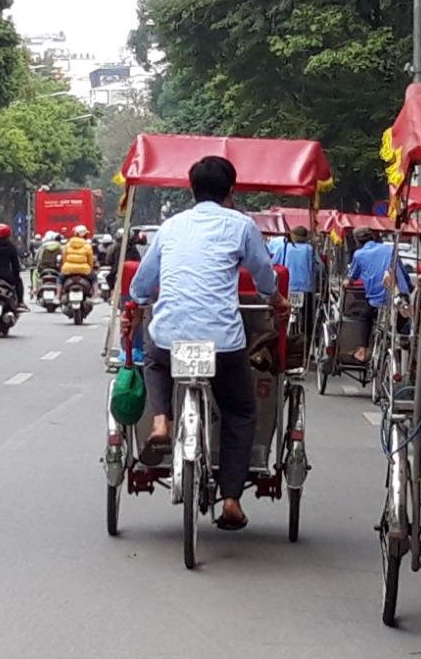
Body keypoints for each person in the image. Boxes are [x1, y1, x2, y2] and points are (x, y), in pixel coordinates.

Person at [129, 155, 288, 531]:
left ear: (191, 190)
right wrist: (275, 299)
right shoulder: (242, 225)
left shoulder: (171, 226)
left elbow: (141, 285)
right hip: (223, 343)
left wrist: (140, 298)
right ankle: (231, 498)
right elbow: (264, 276)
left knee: (155, 359)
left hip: (170, 337)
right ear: (231, 190)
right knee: (240, 412)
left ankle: (161, 421)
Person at [346, 227, 411, 362]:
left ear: (357, 241)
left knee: (364, 317)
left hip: (375, 301)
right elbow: (403, 274)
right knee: (403, 321)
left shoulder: (359, 255)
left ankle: (363, 349)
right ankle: (403, 343)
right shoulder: (389, 249)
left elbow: (351, 278)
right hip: (396, 298)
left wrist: (345, 284)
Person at [272, 225, 319, 338]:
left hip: (287, 287)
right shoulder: (309, 249)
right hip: (306, 288)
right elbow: (318, 267)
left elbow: (273, 265)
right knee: (308, 316)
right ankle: (308, 337)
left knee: (280, 313)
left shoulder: (283, 247)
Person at [60, 225, 95, 289]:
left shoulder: (67, 245)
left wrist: (65, 267)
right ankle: (96, 294)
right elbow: (90, 261)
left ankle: (58, 294)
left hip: (68, 269)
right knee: (94, 279)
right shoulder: (87, 246)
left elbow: (64, 259)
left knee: (59, 279)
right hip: (84, 270)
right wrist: (90, 269)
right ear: (84, 235)